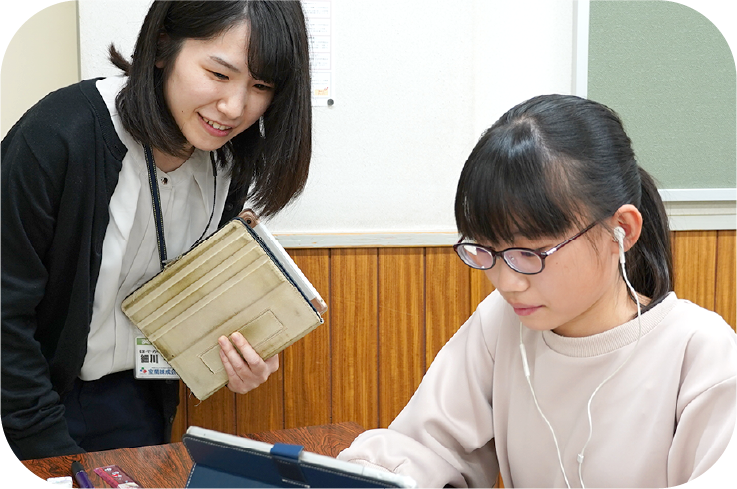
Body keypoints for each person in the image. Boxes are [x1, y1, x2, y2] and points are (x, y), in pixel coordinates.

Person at [338, 95, 737, 488]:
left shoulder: (700, 352)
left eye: (530, 253)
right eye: (487, 251)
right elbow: (426, 447)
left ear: (622, 231)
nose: (507, 282)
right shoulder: (502, 323)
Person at [0, 0, 311, 460]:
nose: (234, 107)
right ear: (164, 45)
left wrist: (243, 355)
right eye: (219, 74)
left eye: (261, 86)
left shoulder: (229, 161)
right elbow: (6, 315)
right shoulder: (58, 135)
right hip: (27, 403)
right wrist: (50, 452)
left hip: (138, 398)